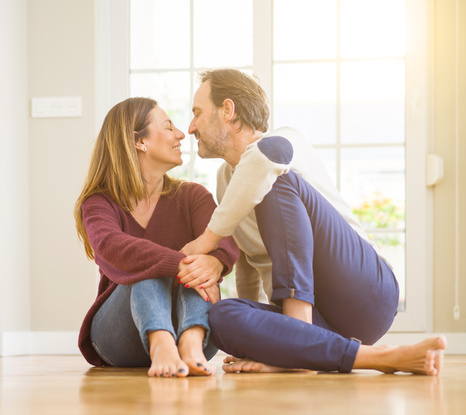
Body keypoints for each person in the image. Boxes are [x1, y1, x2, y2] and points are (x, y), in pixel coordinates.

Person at [178, 69, 446, 376]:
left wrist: (208, 239)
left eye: (198, 113)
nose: (190, 127)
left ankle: (296, 341)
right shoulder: (226, 181)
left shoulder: (281, 142)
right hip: (326, 327)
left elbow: (268, 158)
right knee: (223, 315)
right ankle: (324, 354)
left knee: (275, 180)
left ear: (228, 110)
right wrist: (255, 341)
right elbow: (250, 266)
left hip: (365, 293)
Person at [74, 97, 238, 377]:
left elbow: (224, 238)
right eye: (168, 127)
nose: (181, 134)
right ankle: (161, 343)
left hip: (198, 333)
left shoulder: (193, 196)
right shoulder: (99, 203)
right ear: (140, 142)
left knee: (197, 266)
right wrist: (179, 263)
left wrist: (216, 263)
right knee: (151, 266)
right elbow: (113, 247)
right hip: (119, 336)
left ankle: (190, 343)